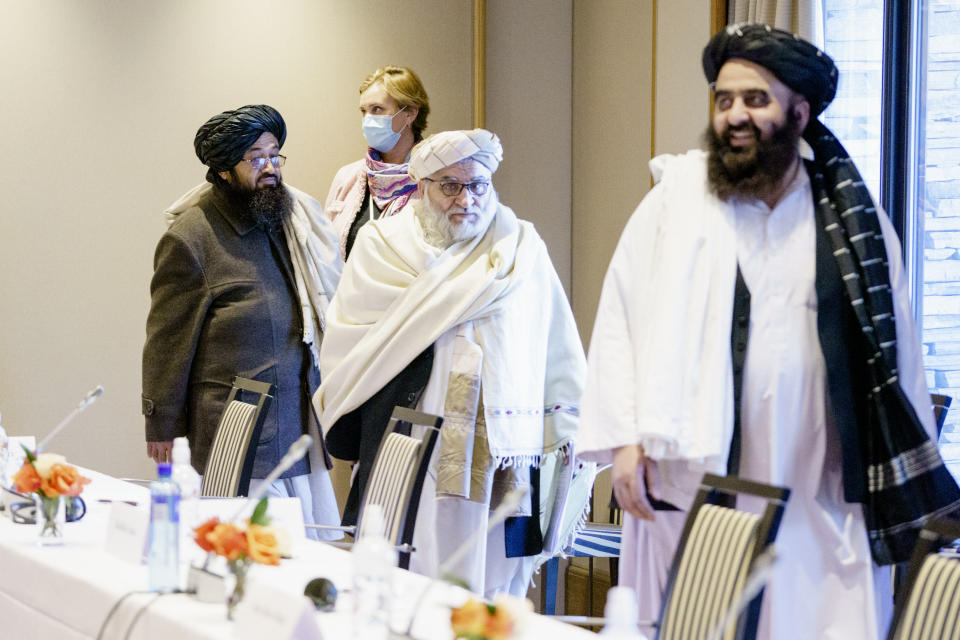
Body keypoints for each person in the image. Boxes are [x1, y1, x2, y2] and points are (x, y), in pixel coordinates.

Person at [576, 24, 960, 640]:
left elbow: (898, 362)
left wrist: (892, 463)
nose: (735, 116)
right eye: (724, 100)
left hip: (819, 482)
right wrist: (623, 442)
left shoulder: (852, 219)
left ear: (800, 112)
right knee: (702, 617)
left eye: (756, 100)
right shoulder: (674, 202)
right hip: (693, 470)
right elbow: (621, 317)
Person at [315, 129, 594, 597]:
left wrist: (570, 422)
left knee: (491, 574)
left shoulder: (520, 248)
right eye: (450, 185)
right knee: (409, 566)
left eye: (478, 184)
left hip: (502, 448)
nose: (466, 198)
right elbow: (350, 343)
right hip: (408, 435)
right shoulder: (381, 246)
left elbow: (554, 339)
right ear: (421, 188)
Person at [142, 104, 343, 539]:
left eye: (275, 155)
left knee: (300, 550)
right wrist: (160, 426)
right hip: (236, 433)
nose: (270, 168)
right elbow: (166, 343)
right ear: (225, 170)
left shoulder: (287, 222)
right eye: (256, 158)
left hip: (294, 422)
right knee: (246, 552)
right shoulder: (192, 239)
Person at [325, 65, 429, 259]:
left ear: (410, 113)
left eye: (377, 109)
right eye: (364, 111)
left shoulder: (435, 180)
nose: (368, 120)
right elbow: (325, 254)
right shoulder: (347, 177)